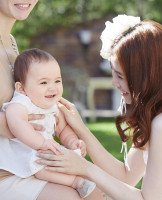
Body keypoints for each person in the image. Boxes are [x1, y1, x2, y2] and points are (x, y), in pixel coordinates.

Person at [37, 15, 162, 200]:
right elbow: (126, 176)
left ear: (147, 76)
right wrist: (80, 128)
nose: (114, 83)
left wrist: (84, 168)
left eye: (120, 76)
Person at [0, 1, 103, 199]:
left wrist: (68, 133)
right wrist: (16, 125)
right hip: (7, 170)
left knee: (97, 190)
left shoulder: (11, 43)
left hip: (27, 162)